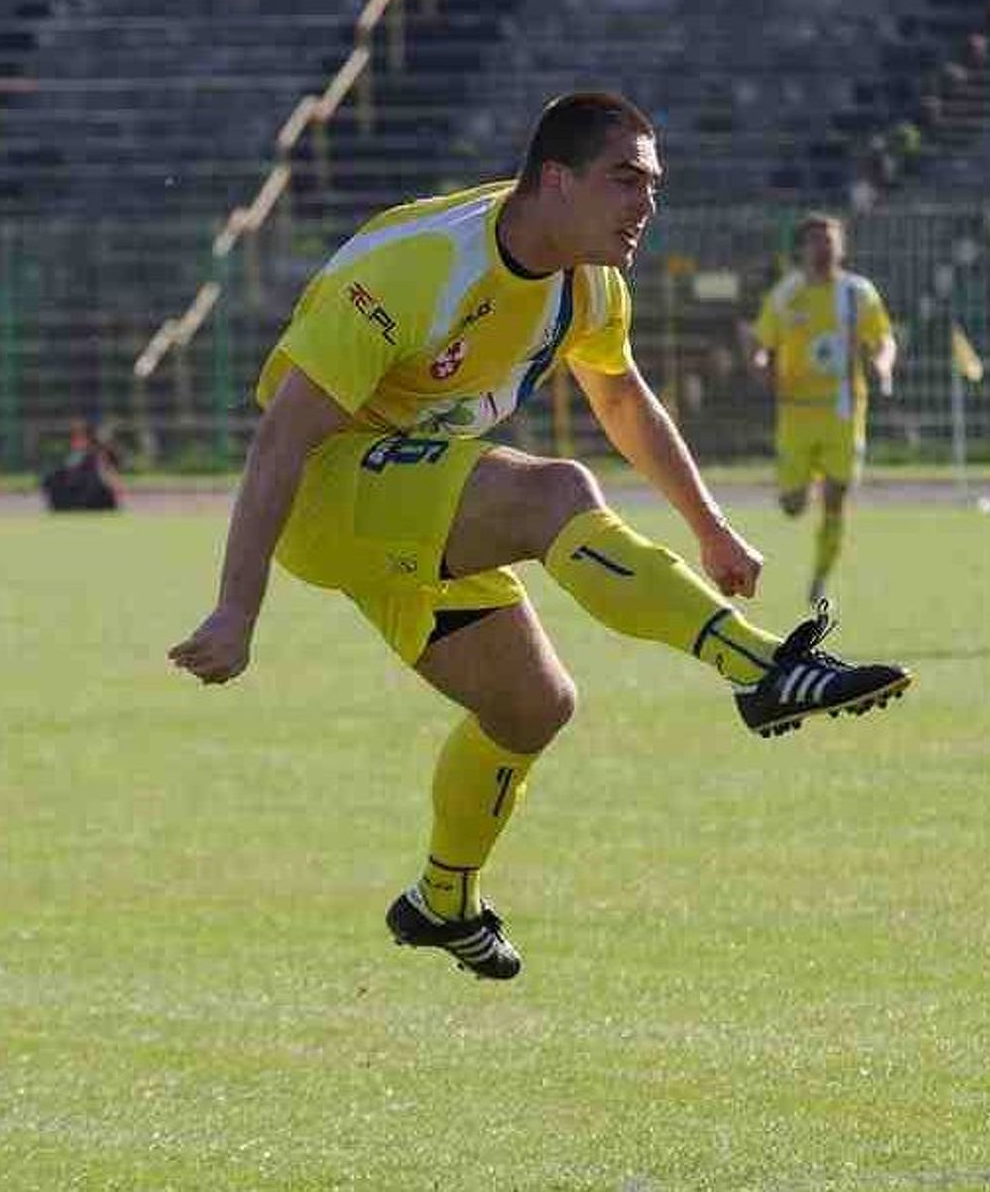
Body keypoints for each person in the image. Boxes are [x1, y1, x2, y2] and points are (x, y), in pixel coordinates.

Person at [168, 93, 912, 982]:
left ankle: (442, 899)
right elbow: (284, 436)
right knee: (553, 490)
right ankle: (761, 669)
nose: (646, 203)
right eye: (625, 179)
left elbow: (621, 396)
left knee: (531, 705)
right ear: (554, 181)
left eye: (653, 183)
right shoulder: (416, 269)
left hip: (417, 496)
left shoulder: (590, 278)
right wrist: (235, 609)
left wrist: (709, 525)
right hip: (328, 492)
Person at [745, 212, 900, 605]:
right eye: (815, 240)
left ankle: (820, 578)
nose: (822, 247)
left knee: (837, 498)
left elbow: (883, 338)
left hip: (843, 412)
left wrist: (882, 363)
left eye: (829, 239)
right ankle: (807, 483)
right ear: (802, 248)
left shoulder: (857, 293)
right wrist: (761, 363)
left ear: (842, 247)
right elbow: (763, 342)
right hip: (796, 415)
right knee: (793, 506)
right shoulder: (786, 295)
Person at [42, 417, 124, 511]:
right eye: (75, 438)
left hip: (94, 502)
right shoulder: (70, 459)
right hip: (74, 501)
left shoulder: (98, 456)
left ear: (89, 439)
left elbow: (114, 484)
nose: (77, 442)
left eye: (81, 437)